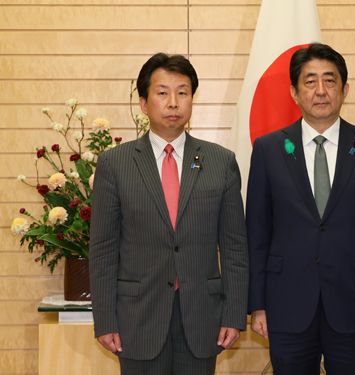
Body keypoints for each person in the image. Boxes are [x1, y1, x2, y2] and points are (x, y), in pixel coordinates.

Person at [246, 43, 355, 374]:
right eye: (310, 81)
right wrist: (257, 304)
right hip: (287, 302)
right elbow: (257, 233)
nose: (320, 91)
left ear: (344, 89)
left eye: (330, 81)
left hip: (354, 300)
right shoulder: (269, 149)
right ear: (294, 92)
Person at [89, 53, 249, 375]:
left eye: (183, 92)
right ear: (144, 103)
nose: (173, 102)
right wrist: (104, 319)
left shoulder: (220, 162)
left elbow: (234, 247)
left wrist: (234, 314)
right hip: (137, 318)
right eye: (162, 93)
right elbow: (103, 249)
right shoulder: (115, 164)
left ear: (193, 99)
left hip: (202, 317)